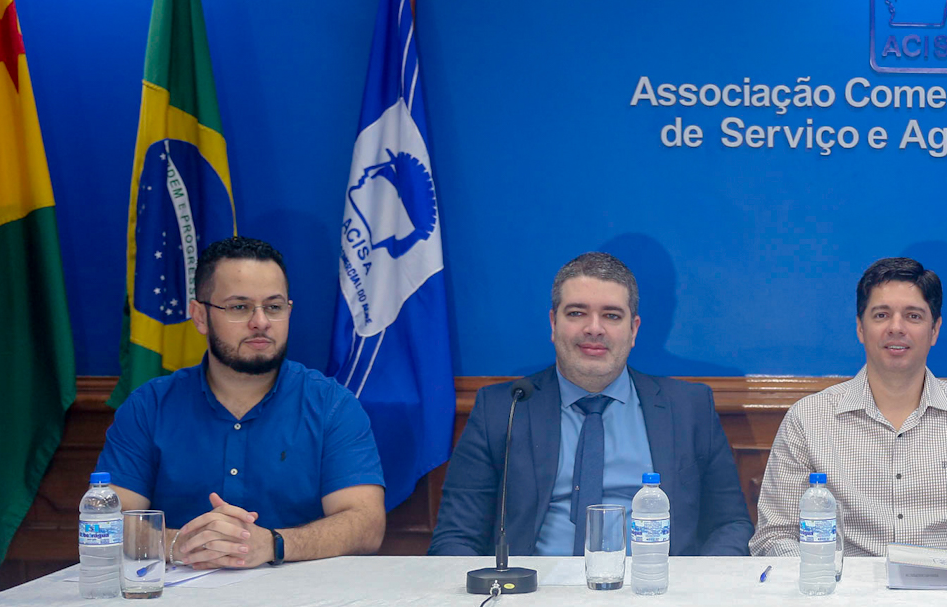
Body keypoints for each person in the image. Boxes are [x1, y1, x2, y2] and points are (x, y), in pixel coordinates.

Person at [430, 251, 751, 557]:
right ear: (553, 324)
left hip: (653, 594)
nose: (594, 328)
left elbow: (731, 525)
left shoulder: (688, 408)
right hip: (532, 597)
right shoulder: (503, 409)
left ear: (633, 329)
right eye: (577, 313)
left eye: (611, 315)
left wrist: (690, 596)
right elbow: (456, 538)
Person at [96, 236, 386, 568]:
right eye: (239, 307)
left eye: (274, 307)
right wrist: (180, 543)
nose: (261, 322)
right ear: (200, 316)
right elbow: (109, 522)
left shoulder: (332, 406)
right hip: (176, 605)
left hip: (302, 604)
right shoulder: (149, 406)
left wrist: (274, 543)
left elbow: (367, 525)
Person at [751, 257, 947, 558]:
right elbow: (776, 535)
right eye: (881, 315)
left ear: (934, 330)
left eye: (913, 316)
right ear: (860, 328)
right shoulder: (808, 419)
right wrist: (822, 582)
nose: (896, 328)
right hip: (846, 597)